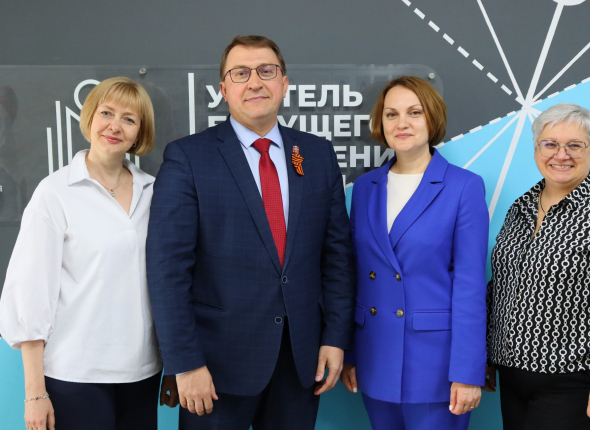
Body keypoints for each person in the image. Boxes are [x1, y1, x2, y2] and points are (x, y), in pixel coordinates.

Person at [146, 35, 355, 430]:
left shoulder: (317, 154)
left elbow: (337, 258)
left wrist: (335, 337)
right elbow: (166, 270)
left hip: (300, 361)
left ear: (284, 83)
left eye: (266, 71)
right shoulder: (189, 157)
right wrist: (185, 363)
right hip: (215, 367)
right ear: (224, 89)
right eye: (240, 73)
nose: (255, 82)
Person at [0, 77, 178, 430]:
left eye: (129, 119)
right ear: (90, 118)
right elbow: (31, 293)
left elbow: (169, 284)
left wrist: (174, 365)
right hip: (74, 376)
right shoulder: (55, 193)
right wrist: (34, 393)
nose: (115, 126)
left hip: (142, 374)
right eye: (106, 113)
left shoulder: (155, 192)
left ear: (140, 133)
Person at [340, 76, 489, 430]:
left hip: (437, 365)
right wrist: (350, 352)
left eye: (414, 112)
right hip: (375, 355)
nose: (401, 123)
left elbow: (470, 286)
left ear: (432, 118)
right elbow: (354, 276)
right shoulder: (365, 188)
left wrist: (468, 371)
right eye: (391, 114)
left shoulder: (463, 187)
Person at [484, 103, 590, 430]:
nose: (561, 155)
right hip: (512, 377)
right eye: (550, 144)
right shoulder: (520, 207)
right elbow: (500, 286)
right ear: (536, 149)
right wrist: (483, 354)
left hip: (575, 383)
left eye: (575, 145)